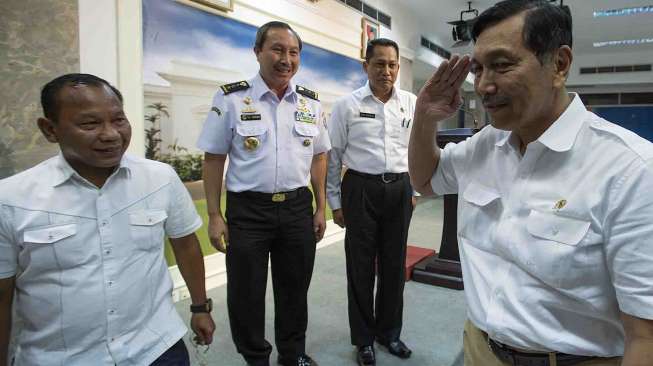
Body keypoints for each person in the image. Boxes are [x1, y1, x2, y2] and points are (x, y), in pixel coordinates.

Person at [408, 1, 653, 365]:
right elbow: (425, 181)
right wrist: (425, 117)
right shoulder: (485, 146)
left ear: (559, 64)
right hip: (480, 349)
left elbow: (644, 336)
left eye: (502, 65)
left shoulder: (631, 170)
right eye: (477, 69)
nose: (485, 85)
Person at [0, 73, 215, 366]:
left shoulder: (160, 178)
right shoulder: (10, 199)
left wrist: (200, 306)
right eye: (90, 124)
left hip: (156, 347)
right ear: (50, 129)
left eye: (118, 120)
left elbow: (187, 245)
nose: (111, 134)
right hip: (60, 357)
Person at [197, 21, 329, 366]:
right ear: (258, 52)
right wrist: (214, 215)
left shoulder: (310, 103)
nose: (286, 59)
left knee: (294, 290)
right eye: (277, 49)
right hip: (248, 211)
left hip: (298, 207)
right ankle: (256, 358)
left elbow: (319, 157)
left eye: (294, 52)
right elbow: (213, 159)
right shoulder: (232, 98)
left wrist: (320, 208)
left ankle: (293, 354)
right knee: (246, 292)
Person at [326, 38, 416, 366]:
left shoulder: (411, 103)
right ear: (366, 66)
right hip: (360, 189)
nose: (387, 71)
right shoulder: (346, 105)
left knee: (394, 267)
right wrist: (334, 202)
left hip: (400, 189)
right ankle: (363, 339)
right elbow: (333, 156)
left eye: (393, 64)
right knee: (360, 267)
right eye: (379, 64)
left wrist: (416, 191)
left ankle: (389, 333)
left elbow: (418, 150)